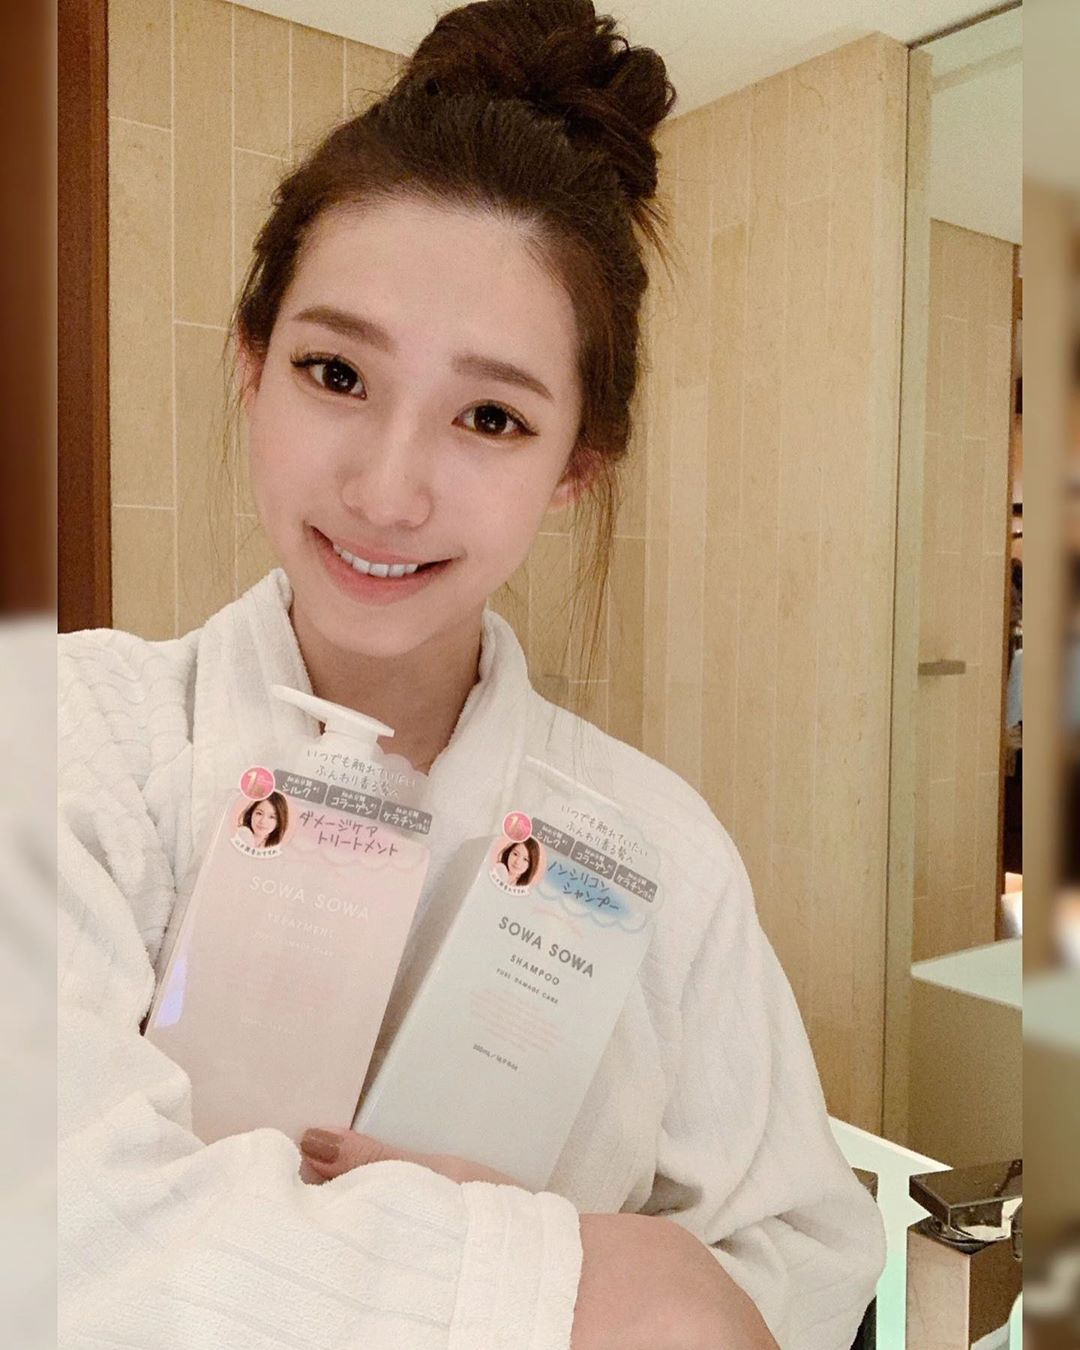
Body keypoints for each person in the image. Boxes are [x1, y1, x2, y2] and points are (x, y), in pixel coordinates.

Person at [58, 2, 885, 1346]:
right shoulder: (71, 737)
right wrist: (576, 1278)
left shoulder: (662, 856)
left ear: (575, 467)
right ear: (253, 365)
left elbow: (807, 1259)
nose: (389, 491)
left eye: (491, 416)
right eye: (336, 372)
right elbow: (52, 1229)